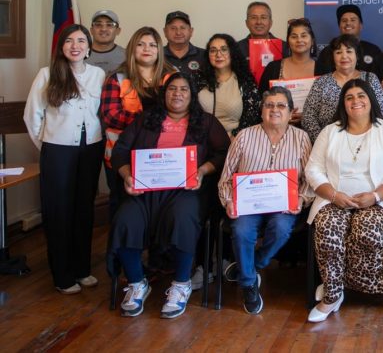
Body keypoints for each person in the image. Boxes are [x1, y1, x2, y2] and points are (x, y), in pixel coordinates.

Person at [109, 73, 229, 318]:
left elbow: (223, 152)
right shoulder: (146, 120)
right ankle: (136, 283)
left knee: (184, 217)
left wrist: (202, 172)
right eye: (172, 89)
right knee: (125, 219)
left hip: (185, 191)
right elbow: (120, 151)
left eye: (184, 89)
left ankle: (181, 284)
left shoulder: (206, 122)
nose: (177, 94)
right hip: (145, 189)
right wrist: (127, 176)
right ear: (164, 94)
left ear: (191, 95)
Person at [305, 79, 383, 322]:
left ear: (371, 99)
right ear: (343, 103)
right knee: (329, 227)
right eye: (349, 97)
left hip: (377, 199)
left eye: (361, 95)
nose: (356, 101)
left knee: (366, 230)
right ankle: (331, 294)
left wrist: (374, 196)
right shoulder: (330, 131)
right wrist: (333, 195)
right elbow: (313, 169)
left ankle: (351, 285)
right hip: (334, 198)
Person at [23, 24, 105, 294]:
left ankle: (82, 269)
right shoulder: (47, 74)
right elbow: (32, 116)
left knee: (83, 209)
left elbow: (100, 115)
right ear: (61, 47)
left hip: (91, 149)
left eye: (81, 41)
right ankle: (62, 275)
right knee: (59, 212)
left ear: (88, 47)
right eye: (69, 41)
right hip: (57, 150)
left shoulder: (98, 74)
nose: (75, 46)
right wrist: (48, 146)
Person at [217, 86, 313, 315]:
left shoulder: (301, 138)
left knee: (281, 229)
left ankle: (250, 266)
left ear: (291, 112)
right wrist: (228, 200)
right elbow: (226, 177)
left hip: (284, 206)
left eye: (281, 105)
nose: (275, 110)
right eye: (269, 105)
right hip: (248, 205)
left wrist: (301, 199)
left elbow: (310, 177)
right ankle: (249, 283)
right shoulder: (244, 136)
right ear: (261, 111)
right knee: (241, 231)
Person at [101, 27, 176, 219]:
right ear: (132, 48)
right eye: (141, 44)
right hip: (123, 155)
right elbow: (110, 115)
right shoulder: (117, 77)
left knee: (160, 209)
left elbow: (184, 111)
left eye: (152, 45)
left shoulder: (172, 76)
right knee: (123, 209)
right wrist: (148, 121)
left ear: (159, 49)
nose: (147, 49)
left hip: (163, 155)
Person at [302, 34, 383, 143]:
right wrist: (324, 142)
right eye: (338, 52)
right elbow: (308, 117)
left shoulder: (370, 79)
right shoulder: (321, 82)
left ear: (357, 55)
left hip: (368, 142)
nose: (344, 56)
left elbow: (382, 113)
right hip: (329, 144)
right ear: (333, 57)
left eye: (349, 51)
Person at [196, 33, 262, 138]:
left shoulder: (244, 79)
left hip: (236, 139)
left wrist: (234, 137)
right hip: (203, 139)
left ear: (232, 52)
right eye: (213, 50)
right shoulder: (198, 78)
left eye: (224, 49)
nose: (218, 54)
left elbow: (252, 116)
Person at [259, 18, 318, 124]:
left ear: (312, 40)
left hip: (312, 130)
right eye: (294, 36)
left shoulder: (322, 68)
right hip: (276, 128)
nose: (299, 40)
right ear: (288, 41)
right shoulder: (273, 68)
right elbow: (261, 101)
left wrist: (306, 117)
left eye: (304, 36)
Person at [316, 5, 382, 75]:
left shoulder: (374, 50)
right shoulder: (327, 52)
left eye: (353, 20)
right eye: (344, 21)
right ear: (339, 26)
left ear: (360, 26)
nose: (348, 23)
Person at [163, 11, 204, 75]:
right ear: (165, 31)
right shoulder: (156, 56)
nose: (178, 32)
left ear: (191, 31)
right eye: (173, 28)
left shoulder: (205, 56)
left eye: (183, 28)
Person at [88, 10, 125, 75]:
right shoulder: (79, 55)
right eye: (98, 24)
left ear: (118, 30)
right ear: (91, 30)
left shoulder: (127, 56)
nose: (103, 29)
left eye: (109, 25)